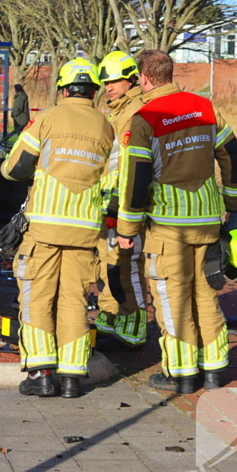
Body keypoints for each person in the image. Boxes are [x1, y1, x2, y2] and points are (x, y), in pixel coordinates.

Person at [116, 50, 237, 394]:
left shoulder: (144, 118)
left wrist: (127, 229)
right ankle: (214, 368)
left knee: (172, 297)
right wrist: (236, 205)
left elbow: (136, 179)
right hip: (207, 220)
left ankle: (181, 373)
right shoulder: (204, 108)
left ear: (144, 78)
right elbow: (232, 156)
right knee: (204, 293)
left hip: (168, 226)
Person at [1, 58, 114, 399]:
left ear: (64, 90)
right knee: (74, 301)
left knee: (37, 297)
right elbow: (115, 180)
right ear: (93, 92)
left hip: (45, 229)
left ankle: (40, 374)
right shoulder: (106, 127)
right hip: (86, 231)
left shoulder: (47, 119)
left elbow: (15, 169)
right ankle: (71, 377)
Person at [94, 50, 148, 350]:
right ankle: (112, 314)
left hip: (125, 204)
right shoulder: (120, 110)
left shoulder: (134, 112)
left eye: (114, 81)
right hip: (112, 202)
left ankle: (135, 319)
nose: (109, 88)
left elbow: (131, 165)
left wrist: (117, 204)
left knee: (126, 264)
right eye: (106, 83)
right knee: (109, 262)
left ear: (131, 80)